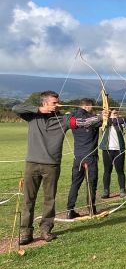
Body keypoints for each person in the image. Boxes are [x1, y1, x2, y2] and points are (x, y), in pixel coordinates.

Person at [12, 91, 105, 245]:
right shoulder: (32, 116)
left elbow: (81, 122)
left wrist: (101, 117)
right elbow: (16, 108)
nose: (58, 105)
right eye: (54, 103)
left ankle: (46, 230)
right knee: (28, 200)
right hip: (32, 163)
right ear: (44, 103)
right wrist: (38, 110)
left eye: (58, 102)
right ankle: (25, 232)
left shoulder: (63, 119)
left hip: (52, 165)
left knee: (49, 199)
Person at [66, 98, 100, 220]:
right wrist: (104, 116)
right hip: (90, 156)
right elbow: (102, 121)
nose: (93, 109)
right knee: (91, 183)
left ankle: (70, 210)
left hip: (78, 156)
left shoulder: (72, 117)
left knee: (75, 183)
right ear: (87, 106)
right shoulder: (91, 119)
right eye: (92, 106)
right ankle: (92, 208)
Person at [99, 108, 126, 198]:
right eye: (114, 113)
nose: (116, 114)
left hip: (119, 149)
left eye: (117, 113)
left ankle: (122, 190)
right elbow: (111, 121)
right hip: (107, 149)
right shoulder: (105, 121)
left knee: (120, 171)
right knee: (107, 171)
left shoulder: (120, 122)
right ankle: (106, 191)